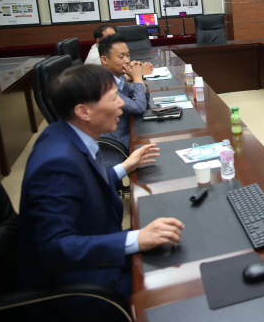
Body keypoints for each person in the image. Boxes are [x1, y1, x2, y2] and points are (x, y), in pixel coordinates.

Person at [17, 65, 184, 322]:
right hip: (81, 288)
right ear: (83, 111)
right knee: (179, 288)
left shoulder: (63, 134)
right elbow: (54, 249)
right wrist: (135, 239)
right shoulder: (57, 163)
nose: (121, 104)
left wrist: (123, 168)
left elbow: (81, 187)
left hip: (96, 257)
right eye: (113, 98)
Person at [98, 33, 149, 167]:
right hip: (117, 142)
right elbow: (138, 107)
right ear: (104, 60)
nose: (127, 60)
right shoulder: (104, 84)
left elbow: (142, 98)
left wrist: (138, 78)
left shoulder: (118, 76)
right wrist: (138, 77)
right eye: (121, 57)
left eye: (128, 55)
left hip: (131, 130)